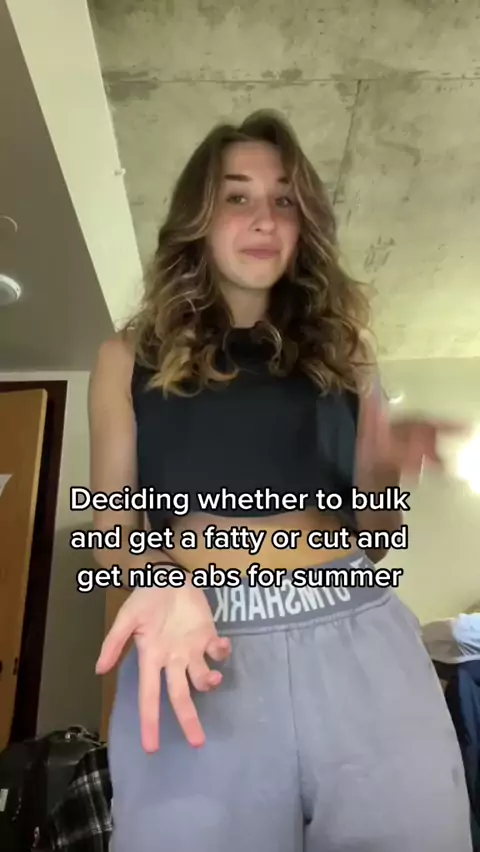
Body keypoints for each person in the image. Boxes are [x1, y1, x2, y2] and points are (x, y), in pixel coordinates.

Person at [88, 110, 472, 851]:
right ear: (199, 219)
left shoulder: (347, 354)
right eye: (237, 196)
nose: (264, 218)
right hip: (200, 642)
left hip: (358, 633)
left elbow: (377, 535)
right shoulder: (126, 357)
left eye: (285, 200)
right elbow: (111, 526)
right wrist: (159, 582)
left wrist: (385, 468)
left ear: (305, 225)